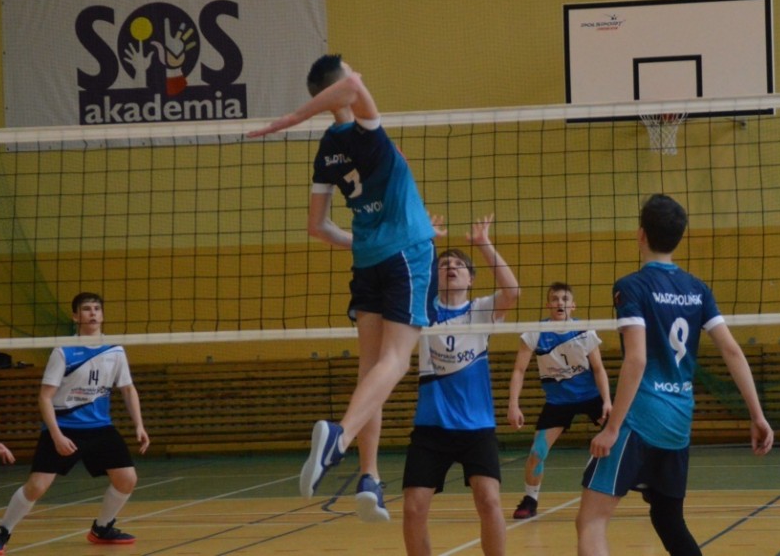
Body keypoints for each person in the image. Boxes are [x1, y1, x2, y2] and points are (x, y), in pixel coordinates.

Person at [247, 54, 440, 521]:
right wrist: (289, 119)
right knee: (396, 362)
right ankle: (341, 436)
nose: (359, 76)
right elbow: (352, 85)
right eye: (353, 71)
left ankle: (368, 478)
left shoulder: (328, 149)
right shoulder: (366, 132)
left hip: (368, 259)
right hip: (407, 254)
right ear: (340, 85)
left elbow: (317, 227)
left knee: (370, 372)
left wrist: (366, 240)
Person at [575, 194, 773, 556]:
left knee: (591, 520)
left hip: (639, 419)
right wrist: (757, 416)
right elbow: (732, 350)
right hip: (678, 423)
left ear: (640, 234)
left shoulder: (632, 286)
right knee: (668, 518)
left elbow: (636, 359)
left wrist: (613, 427)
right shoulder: (697, 289)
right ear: (679, 237)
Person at [0, 292, 149, 555]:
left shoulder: (115, 350)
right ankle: (0, 531)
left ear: (102, 315)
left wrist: (139, 425)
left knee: (127, 479)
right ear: (75, 316)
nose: (93, 313)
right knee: (37, 486)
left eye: (97, 308)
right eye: (86, 309)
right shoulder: (63, 351)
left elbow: (128, 389)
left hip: (100, 428)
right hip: (64, 426)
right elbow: (44, 397)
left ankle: (102, 528)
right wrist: (56, 435)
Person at [402, 215, 520, 556]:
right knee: (413, 507)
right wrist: (424, 240)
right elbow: (408, 272)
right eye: (444, 264)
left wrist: (483, 244)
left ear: (471, 278)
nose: (450, 267)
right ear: (435, 276)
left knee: (489, 500)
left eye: (458, 265)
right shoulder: (422, 310)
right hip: (431, 427)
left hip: (476, 426)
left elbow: (512, 292)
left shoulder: (481, 310)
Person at [507, 281, 612, 519]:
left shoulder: (584, 331)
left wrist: (607, 400)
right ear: (548, 305)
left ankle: (641, 483)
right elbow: (519, 371)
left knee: (622, 438)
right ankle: (530, 500)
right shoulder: (535, 332)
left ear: (573, 306)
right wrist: (513, 405)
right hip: (558, 401)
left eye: (564, 299)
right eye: (554, 299)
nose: (559, 303)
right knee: (537, 452)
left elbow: (598, 369)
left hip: (590, 397)